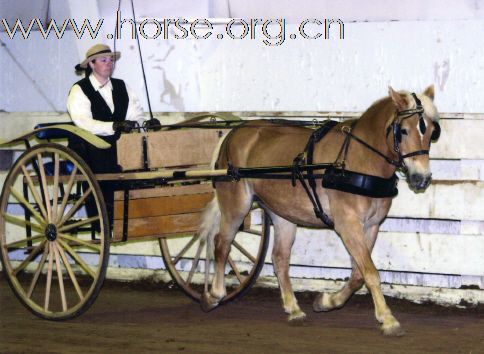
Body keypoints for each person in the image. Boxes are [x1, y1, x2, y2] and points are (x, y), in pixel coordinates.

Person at [67, 43, 159, 229]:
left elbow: (135, 113)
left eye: (111, 60)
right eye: (104, 60)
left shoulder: (121, 86)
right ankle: (106, 218)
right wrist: (114, 126)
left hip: (119, 144)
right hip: (90, 146)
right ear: (92, 64)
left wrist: (144, 124)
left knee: (143, 156)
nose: (109, 64)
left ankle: (141, 210)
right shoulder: (79, 90)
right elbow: (83, 122)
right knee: (107, 161)